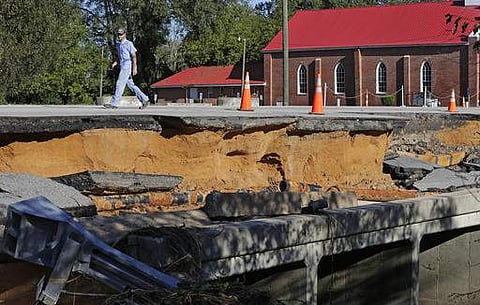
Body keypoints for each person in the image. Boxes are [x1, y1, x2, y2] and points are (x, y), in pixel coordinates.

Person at [104, 27, 149, 109]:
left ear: (125, 34)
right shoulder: (118, 44)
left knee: (119, 83)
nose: (119, 36)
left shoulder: (129, 44)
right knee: (131, 85)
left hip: (127, 65)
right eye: (118, 34)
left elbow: (134, 56)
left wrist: (134, 68)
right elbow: (119, 56)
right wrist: (115, 62)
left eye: (121, 34)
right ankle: (144, 99)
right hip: (122, 64)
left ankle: (114, 103)